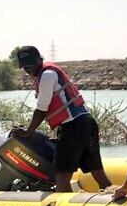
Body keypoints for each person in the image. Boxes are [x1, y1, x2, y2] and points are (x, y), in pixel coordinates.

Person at [14, 46, 112, 193]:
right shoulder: (48, 73)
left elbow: (41, 110)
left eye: (31, 64)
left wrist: (28, 132)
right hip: (86, 123)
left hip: (74, 127)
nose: (28, 69)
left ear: (40, 60)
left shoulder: (46, 75)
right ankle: (115, 201)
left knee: (61, 180)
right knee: (98, 174)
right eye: (25, 66)